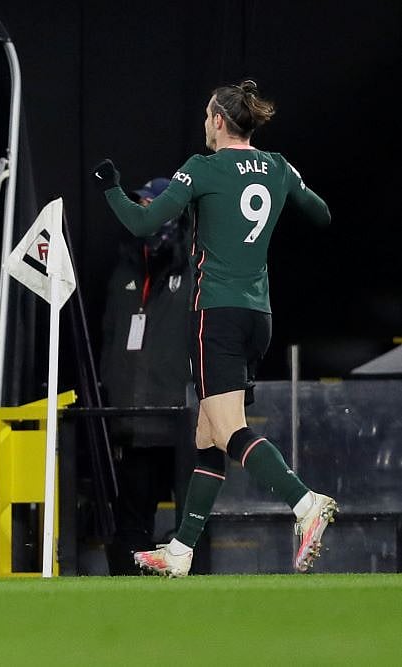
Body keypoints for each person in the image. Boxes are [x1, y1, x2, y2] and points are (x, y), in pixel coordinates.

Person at [93, 79, 335, 577]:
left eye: (208, 116)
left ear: (219, 121)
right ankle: (182, 549)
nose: (205, 123)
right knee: (207, 433)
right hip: (258, 316)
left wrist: (111, 188)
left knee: (227, 429)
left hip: (217, 315)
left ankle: (304, 501)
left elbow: (142, 225)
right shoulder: (277, 166)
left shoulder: (202, 168)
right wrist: (288, 186)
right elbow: (322, 214)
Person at [99, 177, 193, 575]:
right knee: (130, 528)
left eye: (152, 207)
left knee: (190, 528)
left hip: (184, 424)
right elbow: (109, 338)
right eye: (139, 207)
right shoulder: (124, 269)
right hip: (134, 426)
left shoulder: (194, 267)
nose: (144, 216)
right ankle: (127, 606)